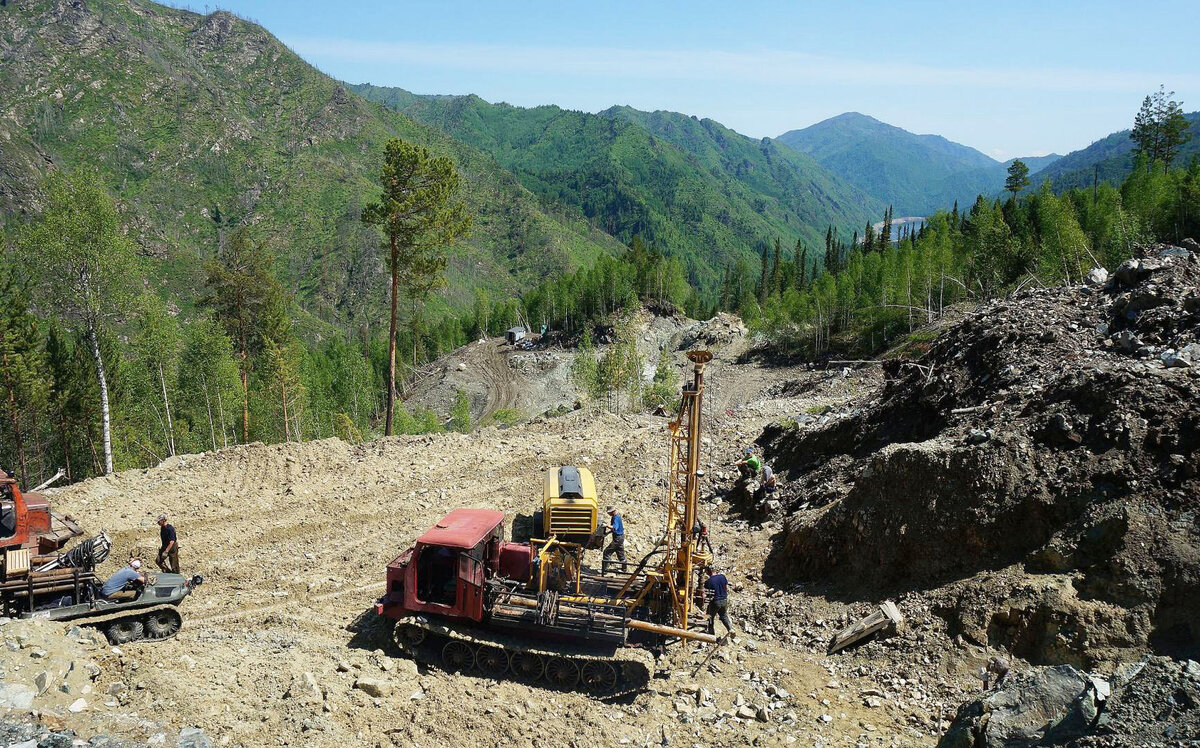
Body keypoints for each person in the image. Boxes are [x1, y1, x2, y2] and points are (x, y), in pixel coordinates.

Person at [703, 566, 733, 637]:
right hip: (724, 600)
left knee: (710, 617)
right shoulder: (722, 577)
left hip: (715, 601)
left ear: (709, 571)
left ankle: (711, 634)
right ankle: (730, 629)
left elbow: (706, 594)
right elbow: (726, 588)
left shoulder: (708, 581)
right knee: (724, 616)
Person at [601, 506, 626, 574]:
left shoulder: (615, 518)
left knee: (607, 552)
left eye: (609, 513)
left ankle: (605, 570)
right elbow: (614, 529)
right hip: (620, 537)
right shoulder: (617, 517)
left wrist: (606, 525)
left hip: (617, 538)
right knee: (620, 553)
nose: (608, 514)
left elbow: (614, 527)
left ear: (612, 511)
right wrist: (607, 533)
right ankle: (624, 569)